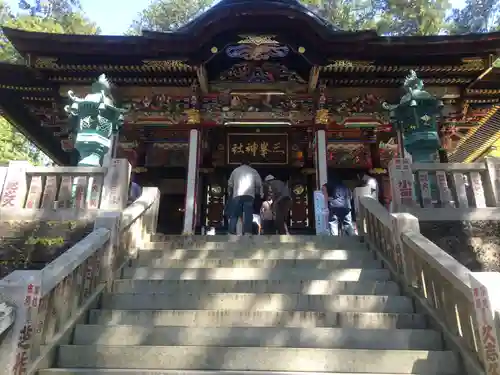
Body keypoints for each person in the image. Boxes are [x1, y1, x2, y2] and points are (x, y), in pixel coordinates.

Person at [227, 157, 263, 235]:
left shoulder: (235, 171)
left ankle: (231, 231)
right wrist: (260, 194)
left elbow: (230, 184)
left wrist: (230, 193)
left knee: (235, 214)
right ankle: (247, 232)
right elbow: (259, 184)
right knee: (248, 214)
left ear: (241, 163)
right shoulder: (253, 171)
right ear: (249, 164)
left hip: (237, 195)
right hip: (249, 195)